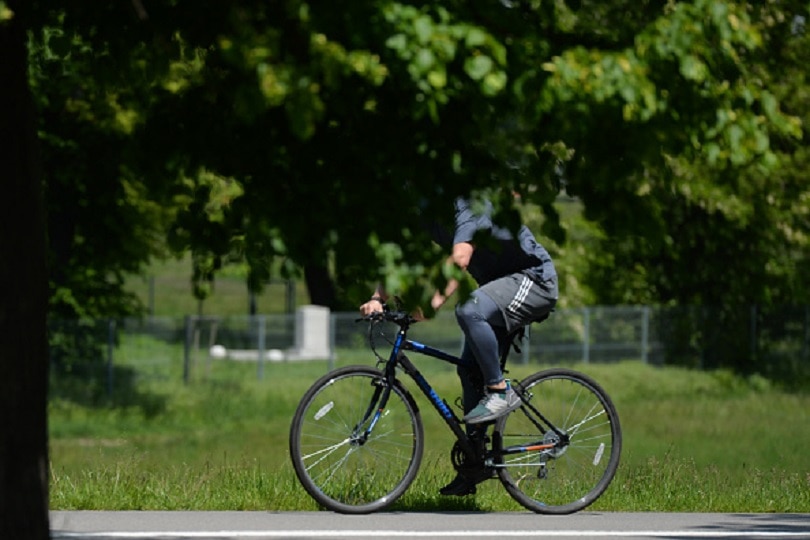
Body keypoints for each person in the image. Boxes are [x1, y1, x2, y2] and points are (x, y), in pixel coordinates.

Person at [359, 195, 558, 496]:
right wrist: (378, 298)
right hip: (496, 290)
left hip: (533, 280)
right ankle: (475, 464)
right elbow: (403, 257)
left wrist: (432, 304)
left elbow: (461, 258)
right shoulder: (428, 211)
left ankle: (499, 390)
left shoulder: (468, 204)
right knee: (468, 371)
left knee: (468, 309)